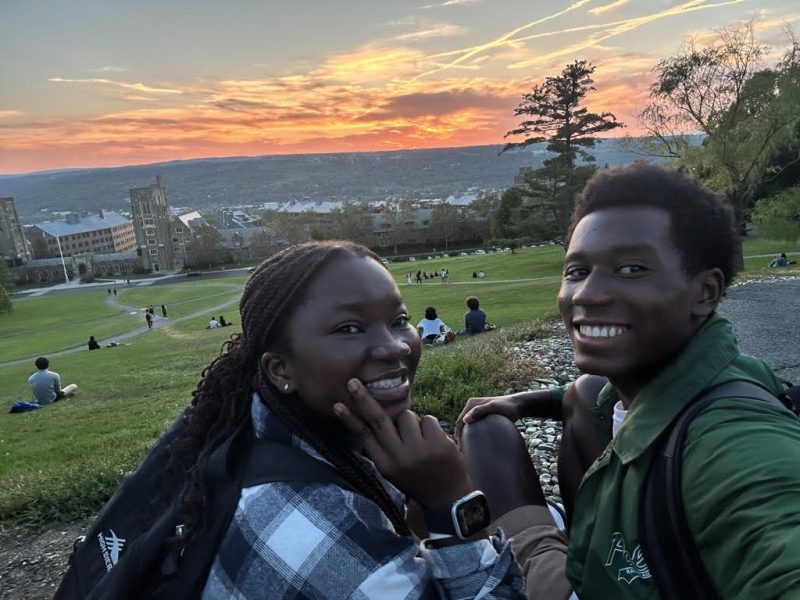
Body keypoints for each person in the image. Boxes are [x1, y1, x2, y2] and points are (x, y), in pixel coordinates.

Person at [454, 161, 800, 599]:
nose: (587, 294)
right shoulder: (717, 371)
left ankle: (540, 544)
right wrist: (525, 401)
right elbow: (580, 394)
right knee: (580, 393)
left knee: (483, 434)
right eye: (577, 271)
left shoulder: (734, 442)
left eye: (631, 269)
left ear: (705, 292)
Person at [158, 241, 524, 599]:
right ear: (280, 368)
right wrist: (450, 500)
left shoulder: (264, 424)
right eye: (349, 328)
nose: (396, 346)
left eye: (399, 320)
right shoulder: (315, 530)